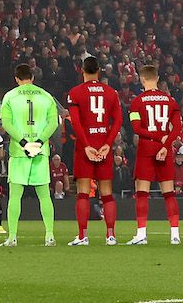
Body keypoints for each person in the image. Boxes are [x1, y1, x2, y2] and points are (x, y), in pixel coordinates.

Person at [0, 62, 60, 247]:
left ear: (16, 79)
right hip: (40, 152)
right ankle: (49, 236)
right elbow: (53, 123)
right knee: (44, 195)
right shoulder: (46, 96)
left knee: (15, 196)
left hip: (19, 152)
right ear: (32, 78)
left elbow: (7, 124)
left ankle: (12, 237)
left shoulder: (10, 96)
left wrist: (25, 143)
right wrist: (38, 143)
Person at [66, 53, 123, 245]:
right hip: (104, 147)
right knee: (106, 193)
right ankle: (111, 235)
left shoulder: (75, 92)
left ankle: (83, 236)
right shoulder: (111, 92)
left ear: (82, 70)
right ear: (99, 71)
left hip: (85, 148)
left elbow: (75, 123)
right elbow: (118, 121)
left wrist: (87, 146)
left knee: (83, 192)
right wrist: (108, 144)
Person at [126, 62, 182, 245]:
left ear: (142, 79)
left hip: (146, 149)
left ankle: (141, 234)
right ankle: (175, 234)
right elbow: (177, 127)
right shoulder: (170, 101)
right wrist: (165, 144)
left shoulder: (136, 102)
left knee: (142, 192)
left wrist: (156, 138)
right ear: (157, 78)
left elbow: (137, 129)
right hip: (165, 149)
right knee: (169, 193)